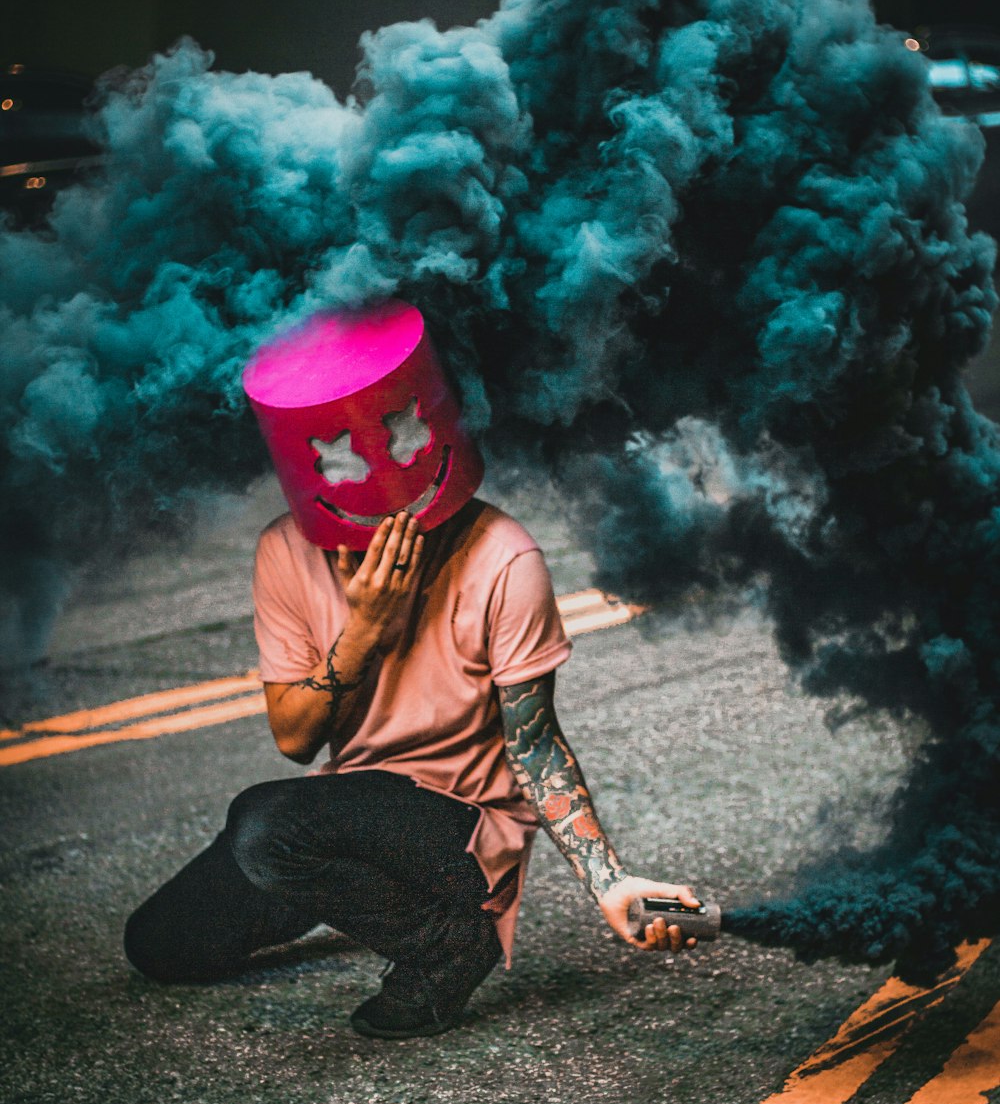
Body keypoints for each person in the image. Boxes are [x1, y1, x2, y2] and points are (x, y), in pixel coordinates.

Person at [123, 302, 700, 1038]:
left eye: (401, 433)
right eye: (340, 451)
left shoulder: (502, 556)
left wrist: (609, 880)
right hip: (345, 816)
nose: (377, 466)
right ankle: (342, 886)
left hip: (459, 832)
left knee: (265, 826)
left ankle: (451, 945)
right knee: (161, 945)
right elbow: (295, 740)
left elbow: (533, 745)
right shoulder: (284, 552)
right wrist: (362, 632)